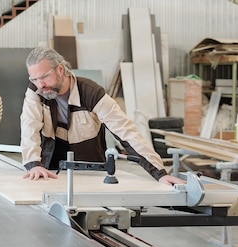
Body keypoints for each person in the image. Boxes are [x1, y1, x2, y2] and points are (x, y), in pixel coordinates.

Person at [20, 46, 184, 186]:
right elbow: (29, 127)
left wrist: (159, 173)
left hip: (90, 169)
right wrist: (33, 164)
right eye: (34, 79)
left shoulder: (91, 93)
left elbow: (125, 131)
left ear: (60, 70)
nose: (40, 84)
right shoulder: (36, 91)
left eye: (44, 77)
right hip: (51, 169)